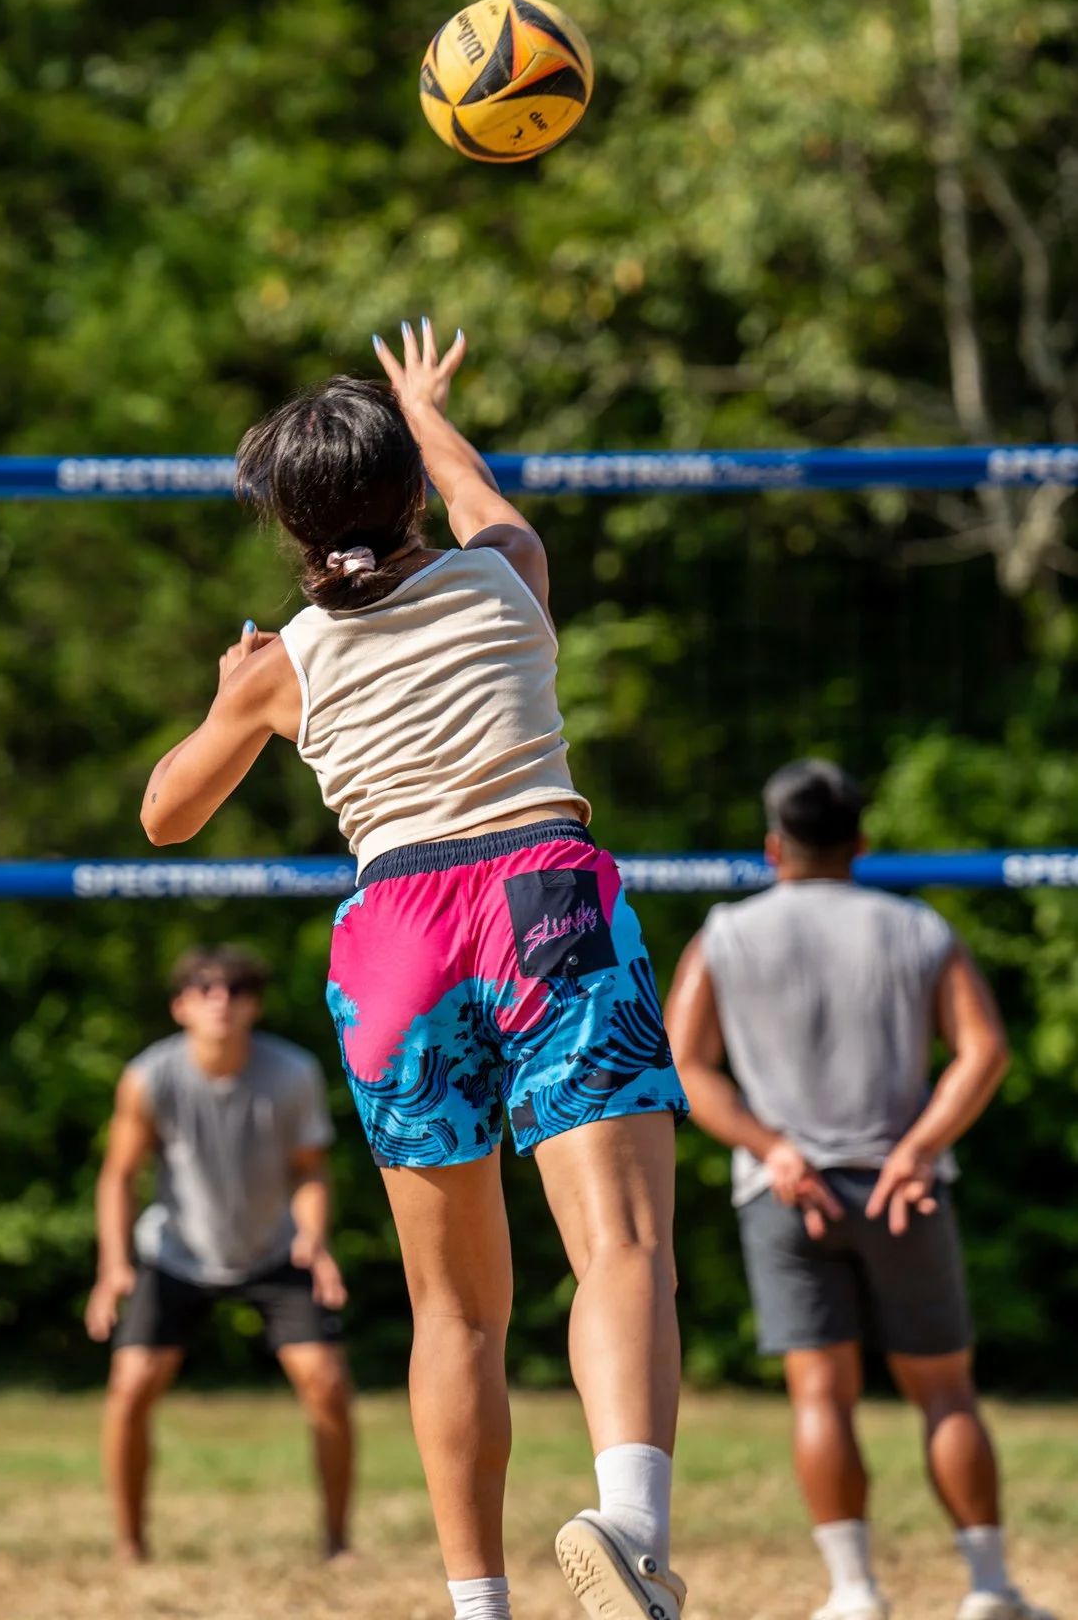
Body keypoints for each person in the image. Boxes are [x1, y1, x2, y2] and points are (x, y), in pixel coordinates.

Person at [138, 321, 690, 1620]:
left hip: (395, 936)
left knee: (454, 1312)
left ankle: (477, 1603)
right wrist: (424, 407)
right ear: (406, 494)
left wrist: (232, 693)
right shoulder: (508, 573)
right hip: (542, 894)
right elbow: (478, 494)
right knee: (619, 1242)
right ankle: (630, 1525)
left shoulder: (284, 665)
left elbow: (165, 813)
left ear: (287, 524)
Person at [665, 759, 1053, 1620]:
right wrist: (919, 1149)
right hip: (901, 1189)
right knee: (945, 1391)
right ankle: (988, 1586)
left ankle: (852, 1590)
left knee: (818, 1395)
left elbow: (686, 1066)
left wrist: (773, 1149)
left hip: (783, 1193)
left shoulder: (725, 934)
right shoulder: (916, 927)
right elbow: (983, 1051)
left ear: (773, 847)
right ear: (861, 843)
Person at [85, 942, 355, 1563]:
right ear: (180, 1006)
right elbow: (118, 1175)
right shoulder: (150, 1076)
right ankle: (130, 1544)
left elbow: (310, 1170)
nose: (221, 1001)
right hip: (176, 1252)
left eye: (237, 990)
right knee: (130, 1385)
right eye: (205, 989)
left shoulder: (292, 1073)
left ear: (255, 1005)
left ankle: (337, 1542)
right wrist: (113, 1266)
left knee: (327, 1382)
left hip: (275, 1248)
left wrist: (314, 1238)